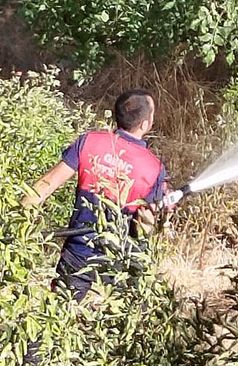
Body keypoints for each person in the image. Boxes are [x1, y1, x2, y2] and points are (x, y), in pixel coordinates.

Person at [22, 89, 169, 301]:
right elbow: (144, 228)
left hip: (77, 253)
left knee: (61, 314)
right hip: (117, 264)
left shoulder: (90, 141)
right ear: (145, 124)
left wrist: (16, 223)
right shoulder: (153, 167)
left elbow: (47, 184)